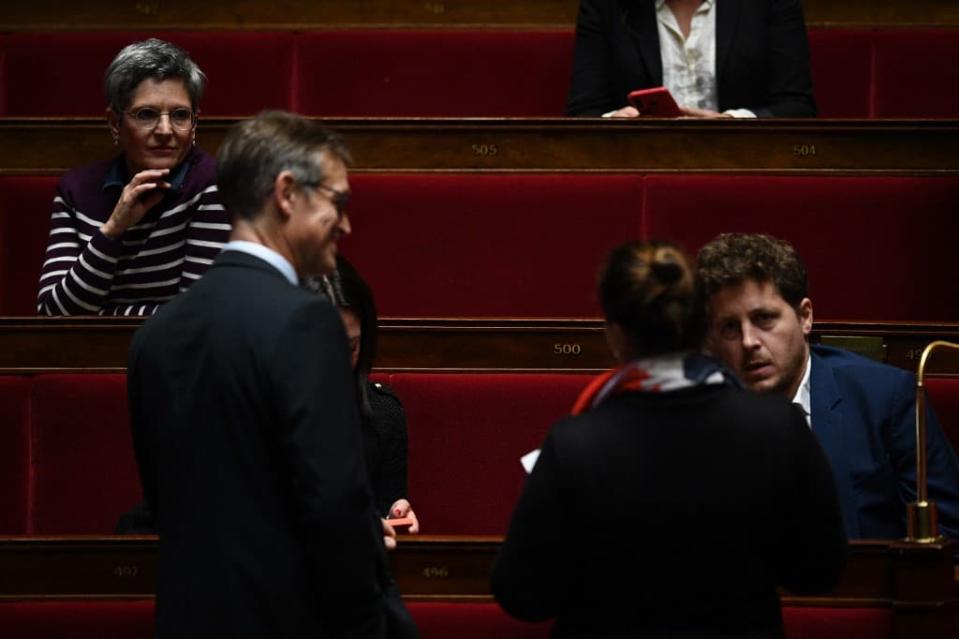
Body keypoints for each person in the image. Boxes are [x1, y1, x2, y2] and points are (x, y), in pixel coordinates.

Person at [127, 110, 415, 638]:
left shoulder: (157, 331)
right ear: (287, 194)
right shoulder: (304, 322)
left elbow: (168, 501)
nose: (346, 224)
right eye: (338, 201)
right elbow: (332, 505)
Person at [492, 240, 845, 638]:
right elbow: (819, 572)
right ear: (702, 328)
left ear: (616, 336)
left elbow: (523, 594)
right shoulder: (776, 426)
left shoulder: (575, 442)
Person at [697, 232, 959, 540]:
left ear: (805, 317)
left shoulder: (886, 398)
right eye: (729, 327)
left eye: (764, 319)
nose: (749, 342)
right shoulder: (696, 415)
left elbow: (949, 535)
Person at [37, 38, 229, 316]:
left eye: (180, 115)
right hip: (87, 357)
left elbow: (197, 318)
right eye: (147, 114)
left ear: (194, 123)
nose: (165, 130)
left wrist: (105, 317)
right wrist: (114, 228)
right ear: (115, 122)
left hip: (176, 359)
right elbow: (54, 314)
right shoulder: (76, 190)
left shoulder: (212, 182)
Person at [306, 258, 419, 529]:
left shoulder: (383, 414)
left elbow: (388, 514)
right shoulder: (257, 408)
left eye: (350, 347)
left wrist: (396, 520)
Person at [566, 0, 817, 118]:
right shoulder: (605, 6)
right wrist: (614, 122)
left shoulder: (770, 4)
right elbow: (583, 111)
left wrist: (732, 123)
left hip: (745, 164)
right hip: (638, 163)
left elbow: (798, 108)